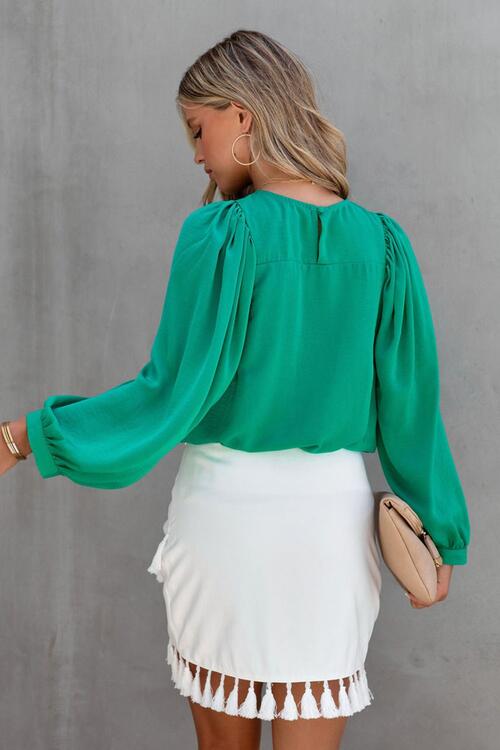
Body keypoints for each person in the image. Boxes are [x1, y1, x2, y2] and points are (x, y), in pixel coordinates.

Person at [0, 29, 470, 750]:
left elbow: (167, 395)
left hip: (225, 519)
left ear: (243, 115)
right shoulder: (382, 244)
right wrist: (440, 534)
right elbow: (413, 407)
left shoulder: (223, 234)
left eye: (199, 129)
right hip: (330, 530)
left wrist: (25, 436)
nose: (197, 153)